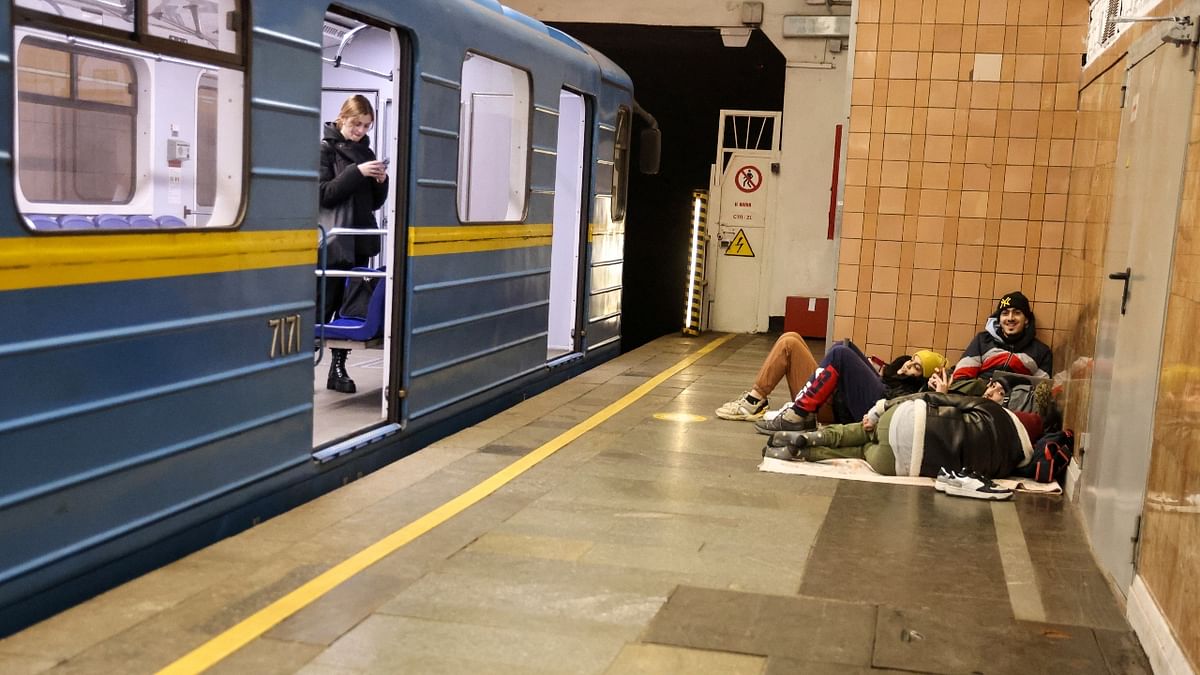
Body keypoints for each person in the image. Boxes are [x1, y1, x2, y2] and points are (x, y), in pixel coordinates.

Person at [762, 378, 1045, 500]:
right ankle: (804, 455)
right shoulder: (1009, 463)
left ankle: (810, 437)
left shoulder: (993, 411)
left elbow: (934, 397)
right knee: (861, 452)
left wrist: (881, 407)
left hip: (909, 420)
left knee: (861, 430)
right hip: (903, 464)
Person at [317, 95, 389, 393]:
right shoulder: (323, 150)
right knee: (323, 307)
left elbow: (372, 203)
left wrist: (380, 182)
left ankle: (337, 369)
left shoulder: (365, 152)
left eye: (366, 125)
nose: (360, 131)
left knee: (350, 310)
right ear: (341, 118)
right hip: (334, 242)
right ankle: (300, 372)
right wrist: (356, 173)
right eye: (356, 124)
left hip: (360, 240)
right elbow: (323, 194)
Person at [749, 342, 948, 435]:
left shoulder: (918, 392)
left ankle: (797, 415)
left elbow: (923, 410)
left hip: (858, 409)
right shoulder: (897, 370)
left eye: (916, 368)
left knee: (841, 355)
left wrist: (938, 392)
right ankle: (754, 398)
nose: (908, 366)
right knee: (836, 345)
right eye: (912, 360)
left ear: (924, 377)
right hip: (833, 398)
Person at [949, 291, 1052, 395]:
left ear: (1026, 320)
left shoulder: (1041, 352)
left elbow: (1041, 394)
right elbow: (960, 378)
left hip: (1013, 405)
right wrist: (986, 388)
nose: (1010, 318)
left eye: (1017, 313)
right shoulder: (983, 340)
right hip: (977, 401)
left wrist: (1004, 392)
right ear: (999, 319)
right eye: (1005, 313)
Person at [715, 332, 819, 420]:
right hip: (829, 396)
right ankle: (756, 399)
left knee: (788, 344)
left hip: (829, 407)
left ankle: (754, 401)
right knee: (791, 336)